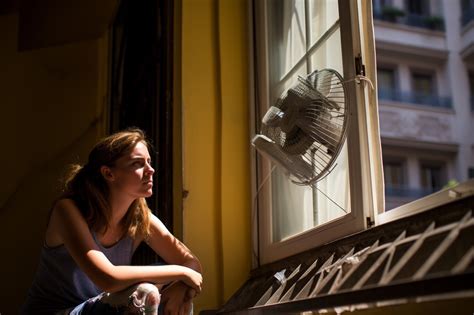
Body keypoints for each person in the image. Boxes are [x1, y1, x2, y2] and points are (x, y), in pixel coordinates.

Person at [21, 128, 202, 315]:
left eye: (149, 162)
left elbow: (191, 263)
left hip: (98, 307)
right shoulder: (68, 210)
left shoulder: (140, 217)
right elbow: (108, 278)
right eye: (138, 164)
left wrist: (180, 284)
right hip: (57, 312)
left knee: (180, 291)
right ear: (108, 173)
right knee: (146, 292)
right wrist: (180, 273)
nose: (151, 170)